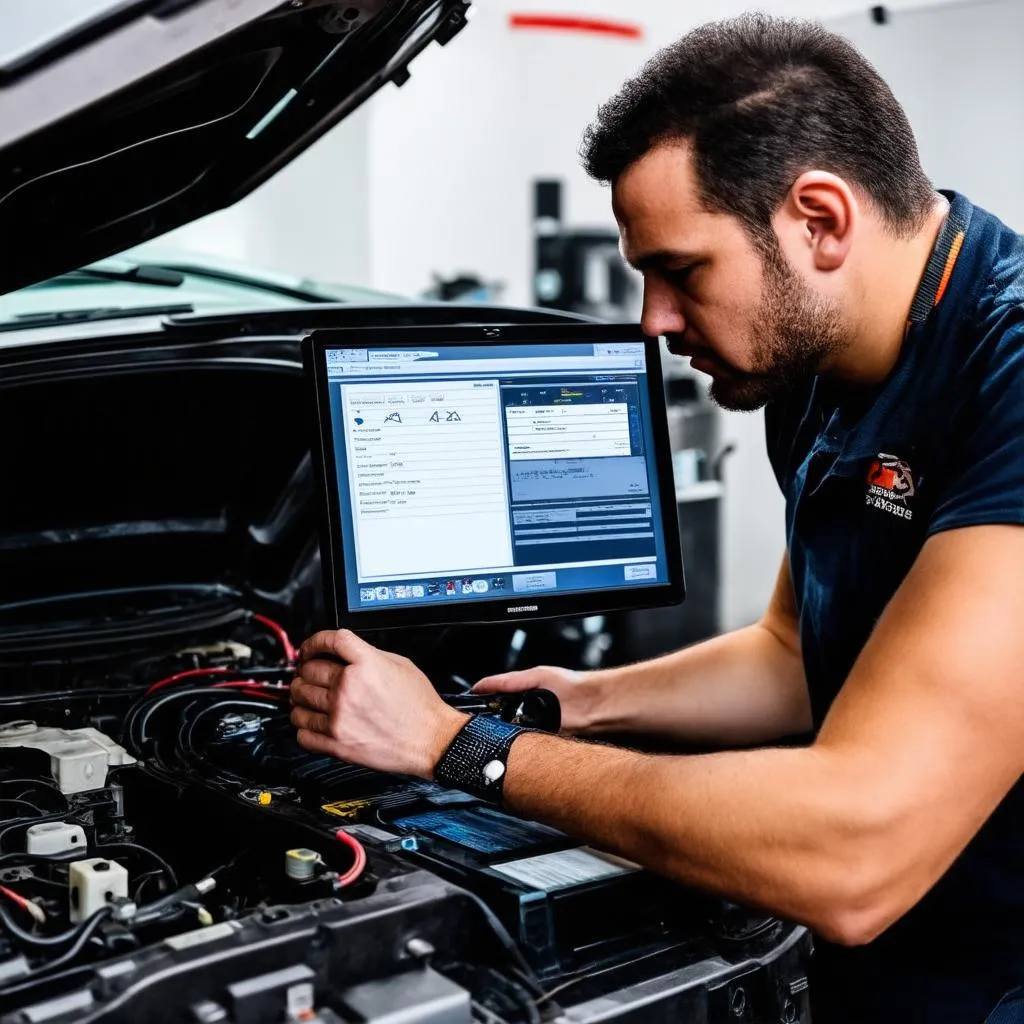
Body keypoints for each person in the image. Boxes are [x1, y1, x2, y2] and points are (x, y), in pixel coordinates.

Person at [289, 13, 1024, 1023]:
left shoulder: (1008, 377)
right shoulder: (815, 368)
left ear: (818, 220)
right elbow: (788, 651)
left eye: (681, 270)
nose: (653, 323)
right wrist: (577, 702)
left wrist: (463, 746)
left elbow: (860, 846)